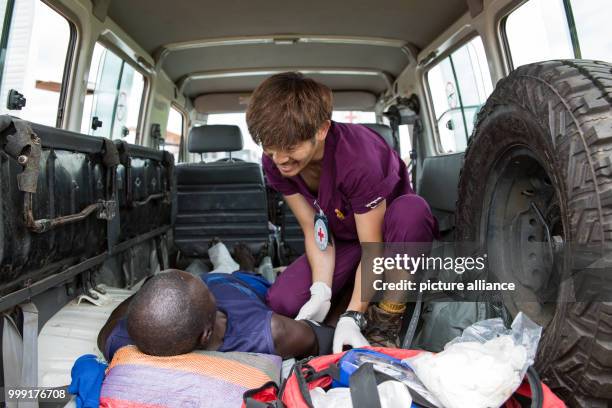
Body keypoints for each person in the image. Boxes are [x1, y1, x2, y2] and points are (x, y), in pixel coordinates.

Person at [246, 72, 439, 352]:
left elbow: (373, 247)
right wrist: (321, 290)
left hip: (392, 237)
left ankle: (385, 319)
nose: (280, 160)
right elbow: (313, 228)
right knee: (283, 302)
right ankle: (345, 294)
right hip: (347, 239)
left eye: (289, 148)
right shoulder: (274, 161)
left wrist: (352, 315)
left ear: (322, 130)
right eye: (270, 148)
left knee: (412, 210)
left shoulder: (359, 159)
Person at [97, 246, 333, 360]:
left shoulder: (117, 339)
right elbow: (326, 337)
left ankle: (220, 257)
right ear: (205, 335)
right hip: (243, 286)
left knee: (200, 271)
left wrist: (151, 289)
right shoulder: (272, 332)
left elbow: (114, 321)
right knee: (249, 274)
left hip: (190, 287)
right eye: (214, 304)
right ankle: (246, 265)